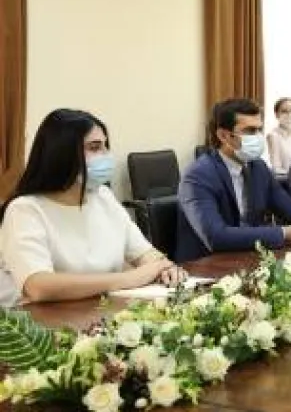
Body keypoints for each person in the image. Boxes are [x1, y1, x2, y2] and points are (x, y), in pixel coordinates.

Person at [0, 109, 186, 306]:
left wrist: (164, 268)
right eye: (94, 147)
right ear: (61, 154)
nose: (106, 156)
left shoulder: (103, 197)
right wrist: (130, 278)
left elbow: (144, 253)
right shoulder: (25, 210)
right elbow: (38, 286)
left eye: (106, 147)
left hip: (96, 311)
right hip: (39, 319)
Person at [176, 98, 291, 263]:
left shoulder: (258, 167)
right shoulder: (198, 176)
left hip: (248, 258)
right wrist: (288, 232)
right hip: (203, 266)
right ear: (223, 135)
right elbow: (216, 237)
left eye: (259, 130)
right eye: (250, 131)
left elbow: (288, 206)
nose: (258, 137)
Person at [266, 97, 291, 175]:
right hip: (286, 179)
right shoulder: (273, 136)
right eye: (284, 111)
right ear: (276, 114)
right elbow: (276, 168)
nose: (289, 115)